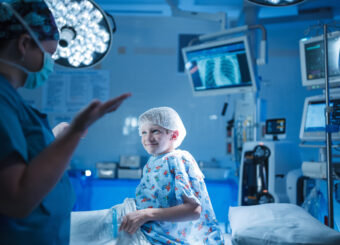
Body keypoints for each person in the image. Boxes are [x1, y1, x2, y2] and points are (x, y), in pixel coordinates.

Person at [0, 0, 130, 244]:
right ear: (24, 44)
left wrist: (56, 140)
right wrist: (76, 131)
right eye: (48, 54)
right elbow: (15, 199)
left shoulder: (11, 100)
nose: (51, 64)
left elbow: (22, 157)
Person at [119, 107, 224, 244]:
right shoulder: (152, 162)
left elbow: (194, 209)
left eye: (155, 131)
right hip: (147, 231)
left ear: (173, 135)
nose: (148, 138)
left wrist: (145, 214)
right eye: (143, 132)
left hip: (166, 239)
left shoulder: (177, 159)